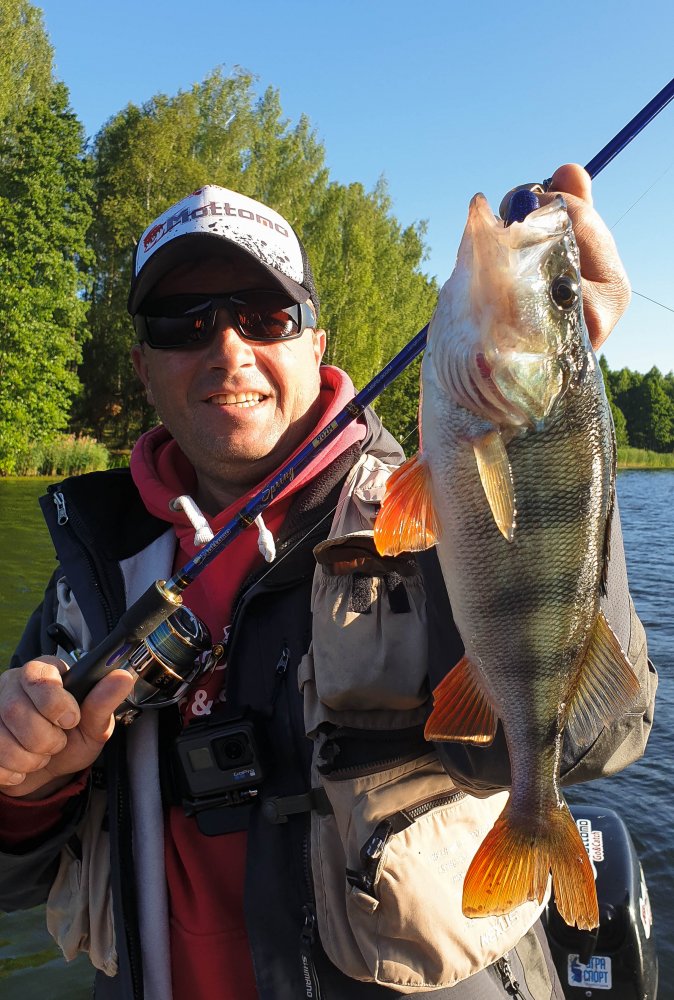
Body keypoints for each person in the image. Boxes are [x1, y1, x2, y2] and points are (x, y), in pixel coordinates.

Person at [0, 166, 656, 1000]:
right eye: (182, 322)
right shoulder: (90, 577)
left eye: (263, 314)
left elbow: (602, 739)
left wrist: (565, 419)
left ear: (315, 341)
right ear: (141, 364)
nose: (227, 348)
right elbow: (14, 881)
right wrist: (24, 788)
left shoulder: (418, 518)